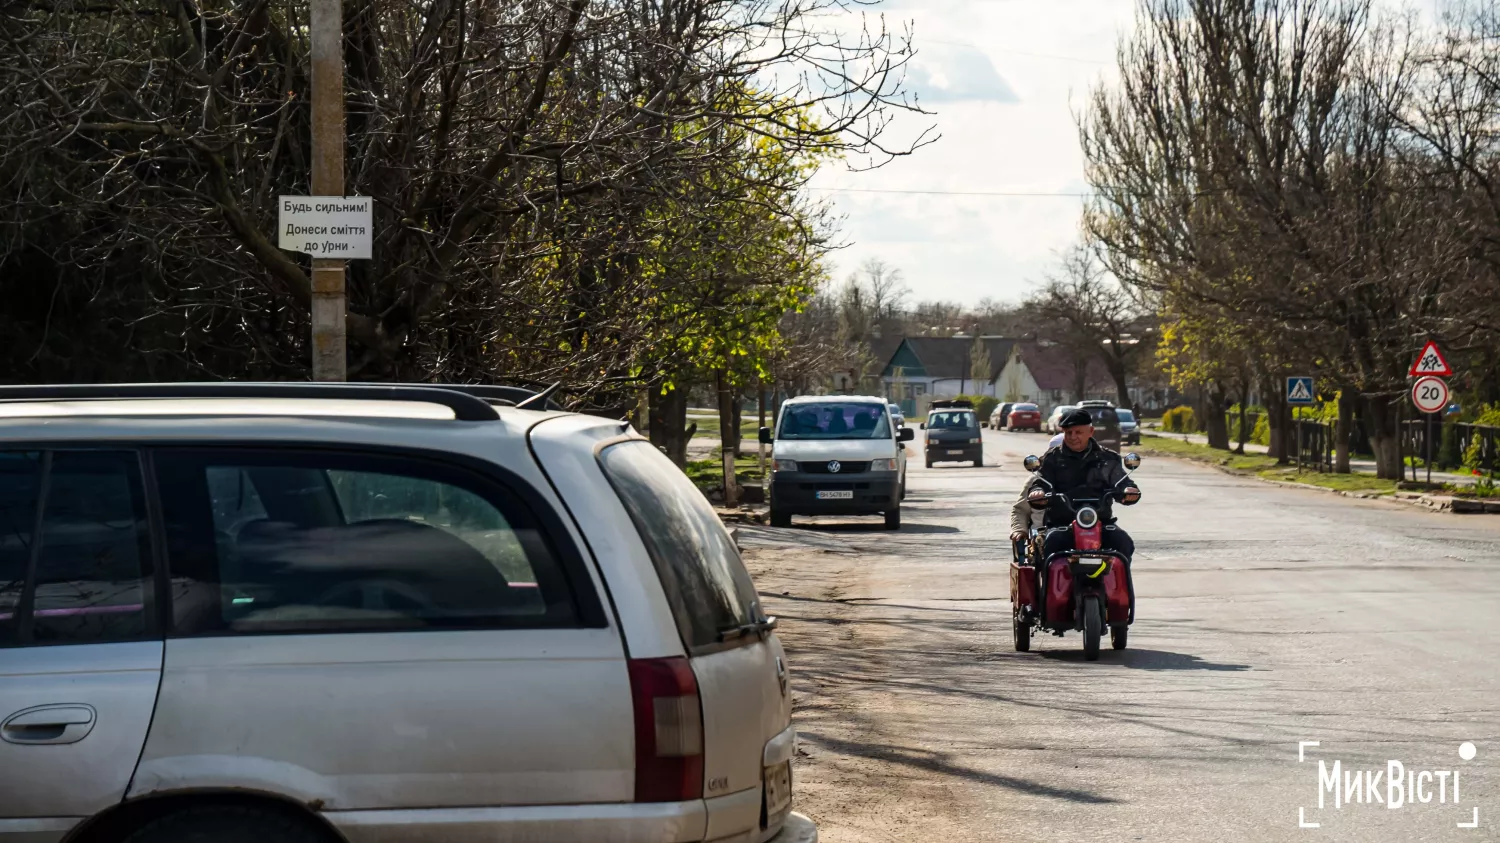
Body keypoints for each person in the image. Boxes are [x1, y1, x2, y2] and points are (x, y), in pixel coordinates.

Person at [1027, 407, 1141, 564]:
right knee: (1051, 543)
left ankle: (1118, 588)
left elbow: (1121, 481)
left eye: (1078, 432)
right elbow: (1041, 482)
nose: (1073, 437)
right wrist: (1038, 492)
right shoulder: (1051, 458)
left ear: (1091, 431)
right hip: (1062, 524)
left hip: (1101, 522)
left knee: (1123, 543)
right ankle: (1052, 588)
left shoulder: (1108, 458)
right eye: (1068, 433)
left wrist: (1128, 490)